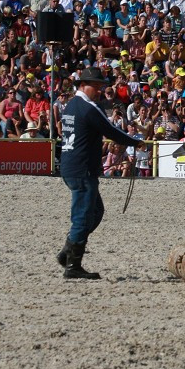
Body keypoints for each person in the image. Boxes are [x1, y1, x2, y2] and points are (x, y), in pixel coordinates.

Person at [57, 67, 144, 280]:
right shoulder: (88, 107)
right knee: (84, 215)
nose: (97, 90)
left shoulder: (71, 105)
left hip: (71, 165)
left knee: (95, 211)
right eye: (95, 86)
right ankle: (73, 265)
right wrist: (136, 142)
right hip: (82, 167)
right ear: (83, 85)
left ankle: (69, 250)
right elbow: (111, 130)